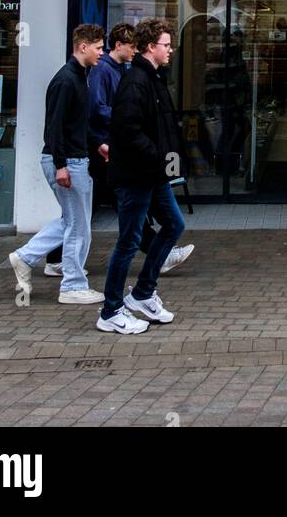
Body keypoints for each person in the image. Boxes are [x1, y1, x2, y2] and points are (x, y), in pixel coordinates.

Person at [45, 22, 193, 276]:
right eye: (131, 46)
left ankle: (49, 259)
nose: (135, 50)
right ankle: (65, 271)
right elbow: (91, 113)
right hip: (105, 150)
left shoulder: (120, 72)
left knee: (90, 215)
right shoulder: (100, 73)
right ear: (120, 45)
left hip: (105, 149)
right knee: (98, 218)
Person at [97, 19, 192, 335]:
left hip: (153, 173)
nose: (170, 50)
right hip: (137, 174)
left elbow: (161, 127)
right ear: (151, 46)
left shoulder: (151, 77)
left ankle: (142, 293)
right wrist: (158, 157)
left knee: (174, 224)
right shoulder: (137, 81)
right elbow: (128, 130)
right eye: (166, 44)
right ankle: (110, 310)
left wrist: (170, 163)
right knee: (129, 241)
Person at [7, 24, 106, 305]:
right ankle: (73, 286)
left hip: (71, 159)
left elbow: (75, 124)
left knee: (71, 221)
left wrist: (97, 142)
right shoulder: (66, 80)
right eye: (98, 47)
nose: (102, 52)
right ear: (83, 47)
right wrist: (61, 165)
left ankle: (25, 257)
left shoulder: (78, 77)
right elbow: (54, 127)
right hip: (68, 162)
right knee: (78, 226)